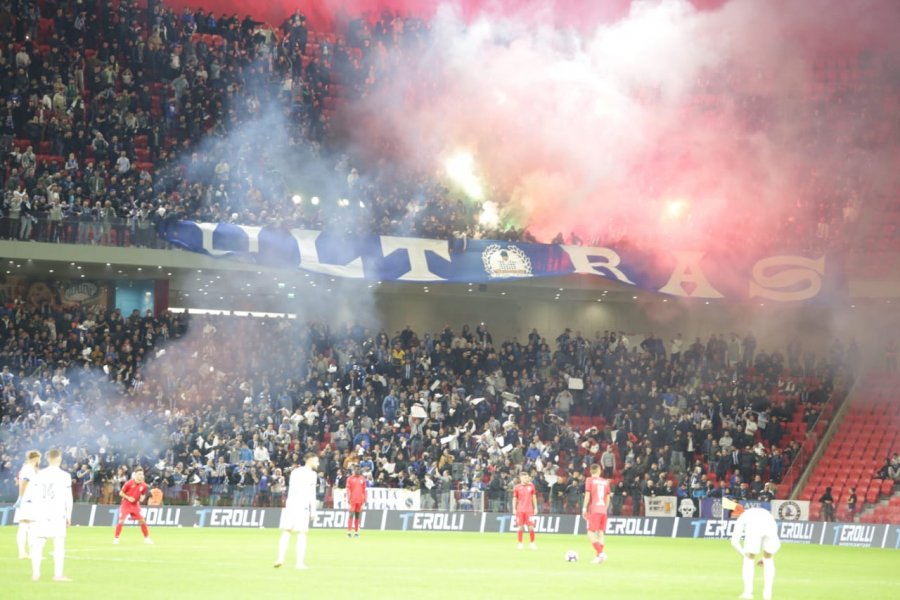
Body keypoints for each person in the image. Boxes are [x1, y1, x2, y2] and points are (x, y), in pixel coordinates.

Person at [28, 449, 74, 582]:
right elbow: (68, 497)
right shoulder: (65, 476)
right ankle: (57, 575)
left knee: (38, 543)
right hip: (57, 513)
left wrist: (34, 512)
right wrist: (69, 515)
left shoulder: (39, 475)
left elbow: (33, 496)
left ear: (47, 459)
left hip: (41, 512)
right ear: (59, 459)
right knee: (58, 543)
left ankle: (36, 574)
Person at [728, 500, 781, 600]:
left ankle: (748, 593)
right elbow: (777, 544)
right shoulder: (758, 513)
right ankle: (767, 594)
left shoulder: (742, 518)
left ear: (737, 513)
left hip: (755, 527)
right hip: (770, 522)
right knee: (768, 559)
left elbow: (734, 542)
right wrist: (768, 554)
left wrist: (745, 555)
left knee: (749, 559)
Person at [275, 452, 319, 569]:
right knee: (302, 534)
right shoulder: (312, 475)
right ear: (310, 460)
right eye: (316, 461)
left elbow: (291, 489)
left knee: (286, 531)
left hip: (291, 504)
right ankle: (299, 563)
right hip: (302, 505)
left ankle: (280, 558)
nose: (318, 463)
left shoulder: (295, 472)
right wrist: (313, 511)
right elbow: (311, 493)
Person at [14, 450, 41, 560]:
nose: (40, 460)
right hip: (28, 501)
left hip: (30, 500)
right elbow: (23, 483)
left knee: (26, 527)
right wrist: (21, 498)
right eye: (39, 458)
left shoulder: (28, 469)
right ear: (35, 458)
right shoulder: (28, 469)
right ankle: (25, 552)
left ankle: (26, 553)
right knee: (28, 526)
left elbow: (18, 482)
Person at [114, 467, 152, 544]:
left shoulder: (144, 485)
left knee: (142, 520)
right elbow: (120, 493)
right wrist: (128, 497)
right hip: (126, 504)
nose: (141, 476)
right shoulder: (129, 483)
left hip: (135, 505)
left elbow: (143, 494)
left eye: (142, 474)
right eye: (139, 474)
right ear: (135, 475)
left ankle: (147, 538)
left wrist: (142, 498)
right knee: (121, 520)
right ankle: (116, 538)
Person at [582, 463, 610, 564]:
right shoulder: (605, 482)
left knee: (590, 533)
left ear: (591, 471)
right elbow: (608, 497)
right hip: (603, 510)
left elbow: (587, 495)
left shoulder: (589, 480)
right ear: (599, 471)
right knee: (601, 534)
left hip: (594, 510)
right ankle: (599, 557)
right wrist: (605, 508)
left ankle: (601, 553)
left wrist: (584, 508)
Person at [512, 471, 538, 550]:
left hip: (529, 510)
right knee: (520, 527)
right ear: (521, 478)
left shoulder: (531, 486)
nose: (526, 479)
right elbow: (514, 498)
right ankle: (520, 543)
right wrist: (514, 508)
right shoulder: (517, 487)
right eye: (525, 477)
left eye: (527, 477)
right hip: (520, 510)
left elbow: (534, 497)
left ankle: (532, 543)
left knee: (531, 527)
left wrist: (535, 508)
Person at [345, 464, 367, 538]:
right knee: (351, 515)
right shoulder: (350, 479)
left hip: (360, 500)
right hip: (352, 500)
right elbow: (348, 489)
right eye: (356, 469)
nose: (357, 470)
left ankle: (356, 532)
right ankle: (349, 532)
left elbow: (364, 490)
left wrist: (365, 500)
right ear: (353, 470)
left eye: (358, 469)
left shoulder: (362, 479)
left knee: (357, 516)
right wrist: (348, 498)